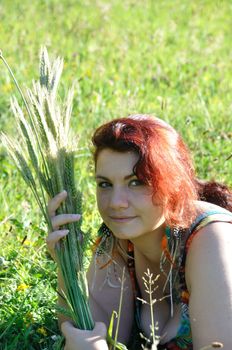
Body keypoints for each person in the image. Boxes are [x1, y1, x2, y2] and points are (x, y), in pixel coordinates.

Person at [46, 115, 232, 350]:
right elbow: (92, 333)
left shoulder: (211, 239)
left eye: (136, 182)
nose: (116, 202)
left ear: (174, 184)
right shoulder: (117, 242)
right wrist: (66, 266)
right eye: (105, 184)